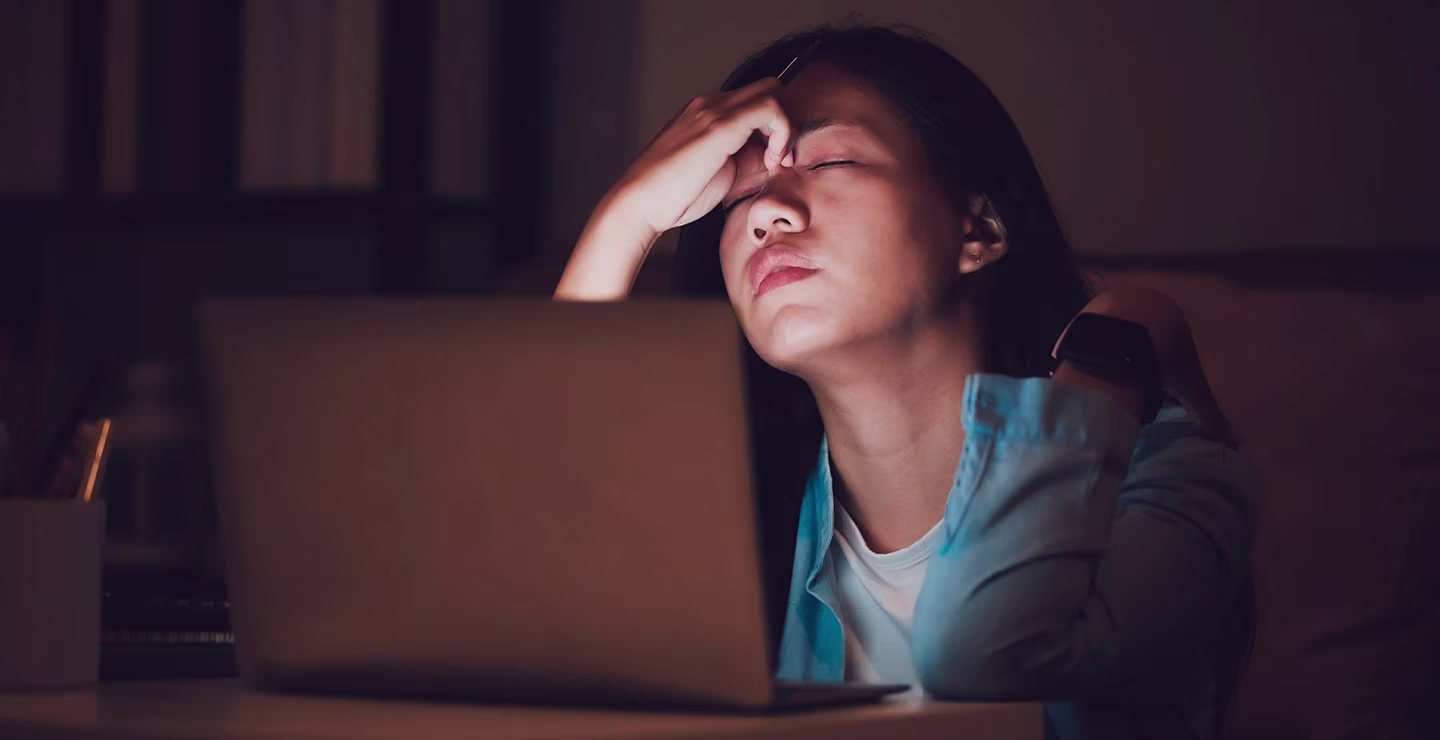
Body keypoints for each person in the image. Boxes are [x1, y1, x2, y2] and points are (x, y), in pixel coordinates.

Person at [555, 25, 1258, 740]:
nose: (768, 213)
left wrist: (1109, 347)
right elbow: (530, 559)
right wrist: (630, 217)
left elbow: (988, 652)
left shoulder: (1177, 481)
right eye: (742, 193)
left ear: (977, 227)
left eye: (828, 160)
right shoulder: (745, 516)